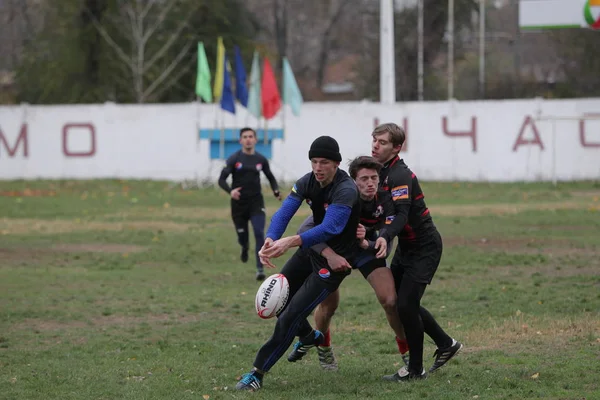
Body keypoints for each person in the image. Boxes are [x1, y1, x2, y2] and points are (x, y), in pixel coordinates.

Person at [235, 136, 362, 391]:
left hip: (334, 263)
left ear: (336, 163)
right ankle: (308, 336)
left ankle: (257, 373)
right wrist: (271, 239)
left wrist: (290, 241)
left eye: (324, 162)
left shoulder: (346, 189)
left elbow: (330, 227)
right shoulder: (307, 181)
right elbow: (285, 211)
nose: (318, 167)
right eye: (314, 161)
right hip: (311, 251)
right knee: (279, 301)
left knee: (291, 314)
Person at [288, 156, 410, 371]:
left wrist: (369, 242)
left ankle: (408, 354)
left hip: (364, 253)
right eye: (364, 179)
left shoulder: (384, 199)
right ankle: (324, 350)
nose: (370, 183)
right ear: (354, 181)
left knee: (390, 300)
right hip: (336, 253)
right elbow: (305, 231)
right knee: (328, 305)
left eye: (374, 178)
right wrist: (328, 254)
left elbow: (386, 239)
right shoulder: (342, 197)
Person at [370, 122, 463, 381]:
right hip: (407, 247)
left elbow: (400, 215)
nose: (376, 145)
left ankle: (415, 370)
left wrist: (384, 236)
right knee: (402, 302)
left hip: (424, 247)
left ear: (397, 147)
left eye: (383, 142)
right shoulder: (380, 171)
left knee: (406, 304)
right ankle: (446, 344)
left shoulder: (399, 175)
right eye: (374, 140)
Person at [218, 127, 281, 281]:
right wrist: (231, 191)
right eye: (245, 137)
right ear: (240, 140)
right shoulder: (234, 159)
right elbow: (221, 180)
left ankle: (260, 269)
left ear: (255, 139)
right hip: (238, 205)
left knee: (259, 233)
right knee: (243, 237)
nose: (248, 139)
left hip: (256, 203)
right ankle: (244, 247)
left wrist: (276, 191)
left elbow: (271, 177)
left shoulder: (260, 159)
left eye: (250, 136)